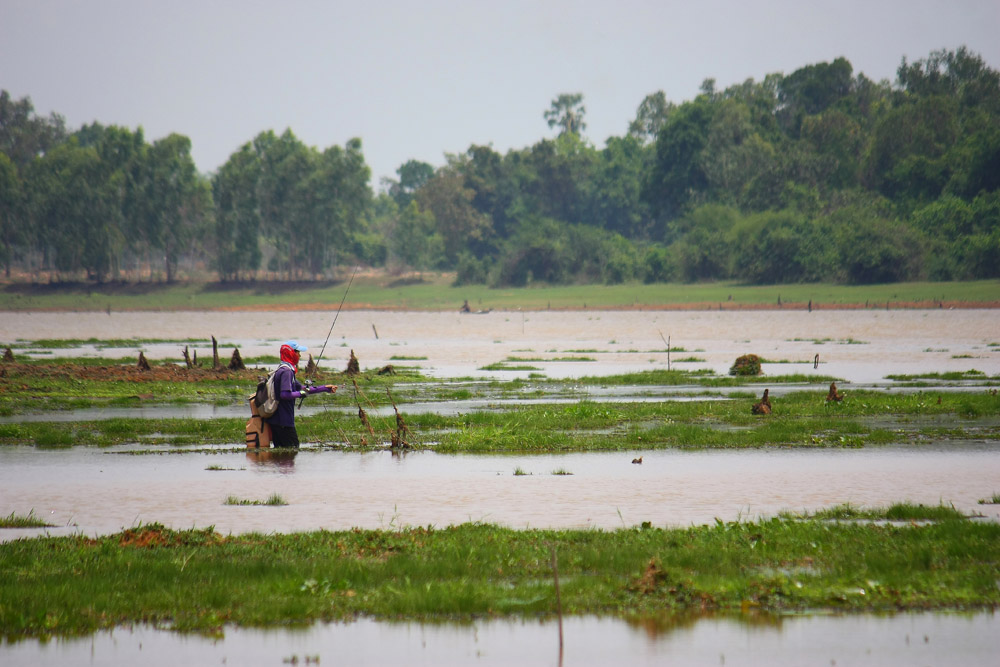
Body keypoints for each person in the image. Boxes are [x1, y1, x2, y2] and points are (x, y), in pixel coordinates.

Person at [265, 340, 336, 447]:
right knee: (293, 449)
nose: (299, 355)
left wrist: (325, 388)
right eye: (298, 352)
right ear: (291, 353)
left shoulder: (284, 369)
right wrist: (301, 393)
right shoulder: (287, 372)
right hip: (283, 422)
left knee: (281, 456)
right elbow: (285, 395)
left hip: (278, 421)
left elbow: (303, 389)